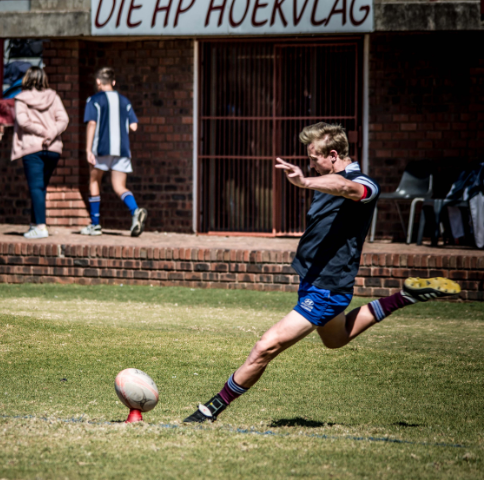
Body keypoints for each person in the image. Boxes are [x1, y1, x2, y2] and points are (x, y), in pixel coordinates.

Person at [183, 123, 461, 423]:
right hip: (314, 281)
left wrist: (305, 183)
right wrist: (312, 182)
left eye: (314, 158)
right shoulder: (326, 179)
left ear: (332, 155)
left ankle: (209, 411)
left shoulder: (363, 183)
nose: (310, 164)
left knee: (266, 346)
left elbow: (348, 189)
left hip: (327, 288)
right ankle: (405, 296)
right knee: (336, 339)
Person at [80, 67, 147, 237]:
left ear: (98, 82)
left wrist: (88, 149)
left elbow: (92, 123)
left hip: (101, 149)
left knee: (94, 181)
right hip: (122, 150)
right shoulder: (125, 101)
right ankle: (135, 210)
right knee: (119, 186)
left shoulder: (94, 100)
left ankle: (95, 225)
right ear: (114, 82)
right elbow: (134, 126)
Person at [12, 66, 69, 239]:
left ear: (26, 79)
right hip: (53, 149)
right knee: (40, 187)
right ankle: (34, 224)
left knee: (36, 187)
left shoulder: (21, 99)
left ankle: (41, 227)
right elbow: (64, 119)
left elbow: (23, 121)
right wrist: (51, 133)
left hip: (33, 148)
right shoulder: (54, 96)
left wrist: (43, 132)